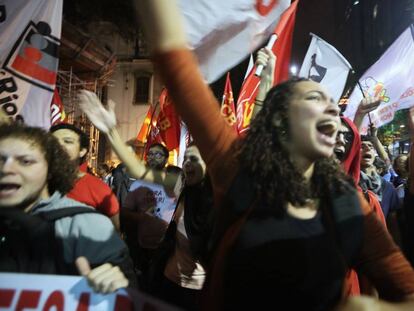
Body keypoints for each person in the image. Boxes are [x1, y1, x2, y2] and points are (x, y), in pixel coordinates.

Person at [133, 1, 414, 310]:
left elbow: (406, 291)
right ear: (280, 119)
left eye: (332, 104)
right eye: (314, 98)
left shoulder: (347, 202)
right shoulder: (237, 167)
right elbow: (177, 67)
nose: (334, 108)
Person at [0, 123, 136, 293]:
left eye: (26, 161)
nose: (6, 169)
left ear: (50, 168)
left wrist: (114, 286)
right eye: (1, 159)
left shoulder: (88, 224)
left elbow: (130, 295)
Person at [50, 123, 120, 230]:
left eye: (67, 141)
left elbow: (114, 233)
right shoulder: (35, 183)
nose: (59, 145)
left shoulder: (98, 189)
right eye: (53, 141)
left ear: (82, 151)